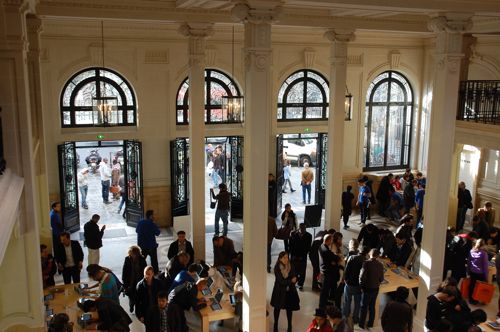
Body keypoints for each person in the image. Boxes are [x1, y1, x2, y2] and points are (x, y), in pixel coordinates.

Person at [271, 251, 300, 332]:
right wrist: (291, 280)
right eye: (284, 257)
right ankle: (275, 324)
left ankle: (289, 326)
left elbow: (295, 276)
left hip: (289, 291)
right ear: (280, 259)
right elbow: (281, 281)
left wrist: (293, 279)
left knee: (289, 309)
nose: (286, 259)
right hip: (279, 291)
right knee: (277, 308)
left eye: (287, 257)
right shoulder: (277, 267)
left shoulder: (291, 265)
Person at [343, 245, 369, 326]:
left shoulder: (352, 257)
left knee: (347, 300)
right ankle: (355, 318)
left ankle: (346, 316)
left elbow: (346, 270)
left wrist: (345, 279)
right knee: (357, 303)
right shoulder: (366, 261)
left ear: (359, 250)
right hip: (358, 286)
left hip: (349, 283)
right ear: (367, 253)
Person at [358, 248, 384, 330]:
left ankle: (361, 324)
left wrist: (361, 286)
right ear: (377, 256)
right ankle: (370, 323)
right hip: (375, 288)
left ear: (370, 254)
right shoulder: (380, 265)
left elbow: (362, 276)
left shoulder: (366, 263)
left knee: (363, 306)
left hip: (367, 288)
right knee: (372, 306)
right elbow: (381, 279)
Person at [319, 234, 342, 309]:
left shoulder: (322, 246)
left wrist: (334, 260)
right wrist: (335, 260)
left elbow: (333, 258)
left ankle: (325, 302)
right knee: (325, 290)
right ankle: (322, 305)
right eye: (331, 240)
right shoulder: (326, 251)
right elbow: (336, 258)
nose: (332, 242)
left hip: (324, 270)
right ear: (328, 240)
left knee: (326, 289)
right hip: (327, 272)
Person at [122, 245, 147, 313]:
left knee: (138, 295)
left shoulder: (142, 259)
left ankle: (137, 307)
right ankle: (131, 305)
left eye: (134, 254)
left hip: (139, 281)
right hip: (130, 282)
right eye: (131, 253)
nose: (133, 255)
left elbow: (145, 270)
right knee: (131, 296)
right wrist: (125, 283)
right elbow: (124, 272)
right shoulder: (127, 259)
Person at [136, 209, 161, 274]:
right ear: (150, 216)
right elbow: (158, 233)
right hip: (151, 245)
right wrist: (156, 225)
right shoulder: (152, 224)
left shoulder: (140, 222)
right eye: (153, 215)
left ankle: (141, 271)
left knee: (142, 259)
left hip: (141, 245)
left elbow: (136, 231)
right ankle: (155, 272)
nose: (154, 216)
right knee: (154, 260)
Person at [289, 223, 312, 290]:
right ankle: (293, 283)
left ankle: (300, 284)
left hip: (303, 257)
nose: (302, 230)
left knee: (302, 271)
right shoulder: (293, 234)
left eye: (304, 228)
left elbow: (308, 247)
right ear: (299, 228)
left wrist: (302, 255)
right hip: (294, 256)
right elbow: (290, 245)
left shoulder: (309, 236)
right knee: (293, 270)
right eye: (301, 228)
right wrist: (293, 255)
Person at [468, 239, 489, 305]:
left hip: (472, 271)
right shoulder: (484, 253)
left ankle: (471, 299)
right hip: (480, 273)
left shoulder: (471, 251)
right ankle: (478, 299)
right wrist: (486, 276)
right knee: (479, 287)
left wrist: (468, 271)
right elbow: (485, 265)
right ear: (483, 245)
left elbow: (469, 262)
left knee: (472, 285)